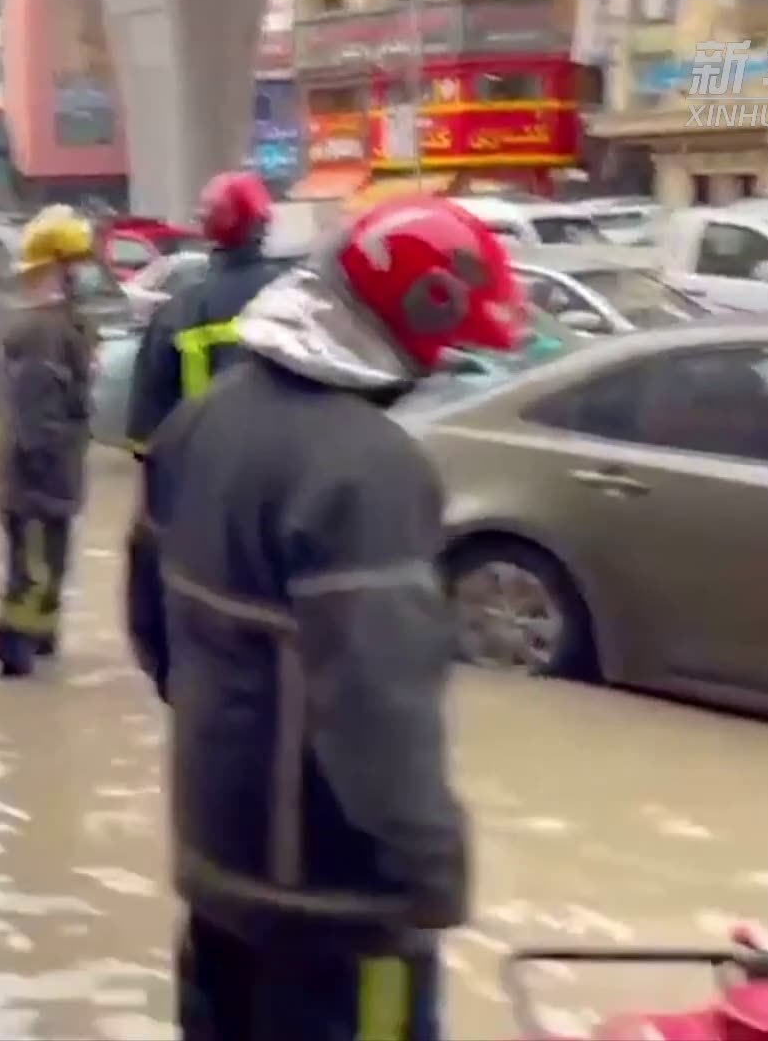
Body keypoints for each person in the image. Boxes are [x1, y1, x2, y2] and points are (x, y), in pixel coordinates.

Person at [125, 195, 528, 1041]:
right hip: (336, 906)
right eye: (448, 343)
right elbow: (379, 712)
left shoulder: (203, 419)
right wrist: (432, 870)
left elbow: (150, 625)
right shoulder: (370, 469)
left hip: (213, 863)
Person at [0, 204, 99, 679]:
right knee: (33, 573)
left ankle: (40, 647)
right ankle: (13, 653)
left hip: (51, 475)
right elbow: (37, 419)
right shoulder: (42, 332)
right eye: (77, 263)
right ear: (56, 268)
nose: (87, 272)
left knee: (49, 570)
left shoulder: (62, 326)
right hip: (35, 478)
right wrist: (47, 481)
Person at [123, 171, 289, 457]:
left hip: (205, 469)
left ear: (207, 227)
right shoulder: (296, 298)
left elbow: (145, 436)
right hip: (287, 469)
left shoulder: (177, 311)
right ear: (263, 223)